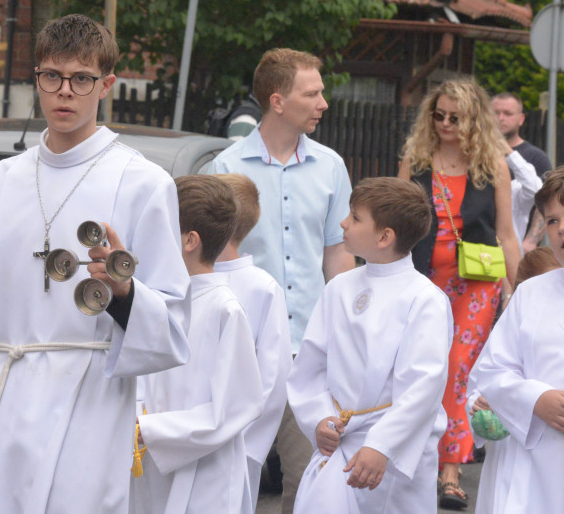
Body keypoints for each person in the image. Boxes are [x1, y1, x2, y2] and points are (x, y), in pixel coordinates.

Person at [0, 14, 190, 513]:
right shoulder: (0, 180)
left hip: (87, 399)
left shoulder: (142, 182)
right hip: (3, 390)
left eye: (81, 79)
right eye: (52, 76)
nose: (64, 92)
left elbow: (172, 321)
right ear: (37, 80)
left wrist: (123, 292)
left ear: (106, 85)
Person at [207, 47, 355, 513]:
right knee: (230, 472)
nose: (323, 103)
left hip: (308, 352)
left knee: (311, 475)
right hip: (241, 349)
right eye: (311, 94)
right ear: (277, 101)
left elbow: (337, 255)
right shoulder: (223, 170)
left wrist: (344, 334)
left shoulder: (331, 166)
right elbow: (206, 264)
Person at [287, 177, 452, 513]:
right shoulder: (339, 288)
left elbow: (423, 386)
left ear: (384, 236)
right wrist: (319, 418)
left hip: (392, 449)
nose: (343, 223)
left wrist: (382, 445)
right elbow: (311, 365)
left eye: (355, 217)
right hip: (339, 440)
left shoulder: (423, 299)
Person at [397, 77, 520, 509]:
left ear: (472, 120)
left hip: (478, 286)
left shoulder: (492, 166)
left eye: (455, 116)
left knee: (454, 368)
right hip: (425, 278)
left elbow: (506, 235)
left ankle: (450, 471)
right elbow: (400, 219)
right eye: (439, 115)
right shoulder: (416, 160)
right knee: (424, 367)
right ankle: (421, 458)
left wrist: (520, 292)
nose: (446, 123)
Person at [130, 175, 263, 514]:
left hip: (205, 474)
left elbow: (236, 407)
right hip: (146, 463)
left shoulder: (224, 309)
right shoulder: (155, 300)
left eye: (161, 228)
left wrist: (151, 428)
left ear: (189, 240)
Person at [468, 167, 564, 512]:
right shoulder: (531, 295)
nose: (561, 228)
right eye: (552, 220)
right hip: (535, 465)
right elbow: (490, 373)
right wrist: (536, 399)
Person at [212, 172, 291, 508]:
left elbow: (272, 379)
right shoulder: (175, 278)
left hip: (235, 447)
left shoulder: (261, 288)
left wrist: (246, 446)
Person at [491, 93, 552, 253]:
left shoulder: (536, 157)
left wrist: (530, 242)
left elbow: (545, 201)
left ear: (521, 118)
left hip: (517, 245)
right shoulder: (475, 153)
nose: (501, 118)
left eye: (508, 113)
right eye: (495, 113)